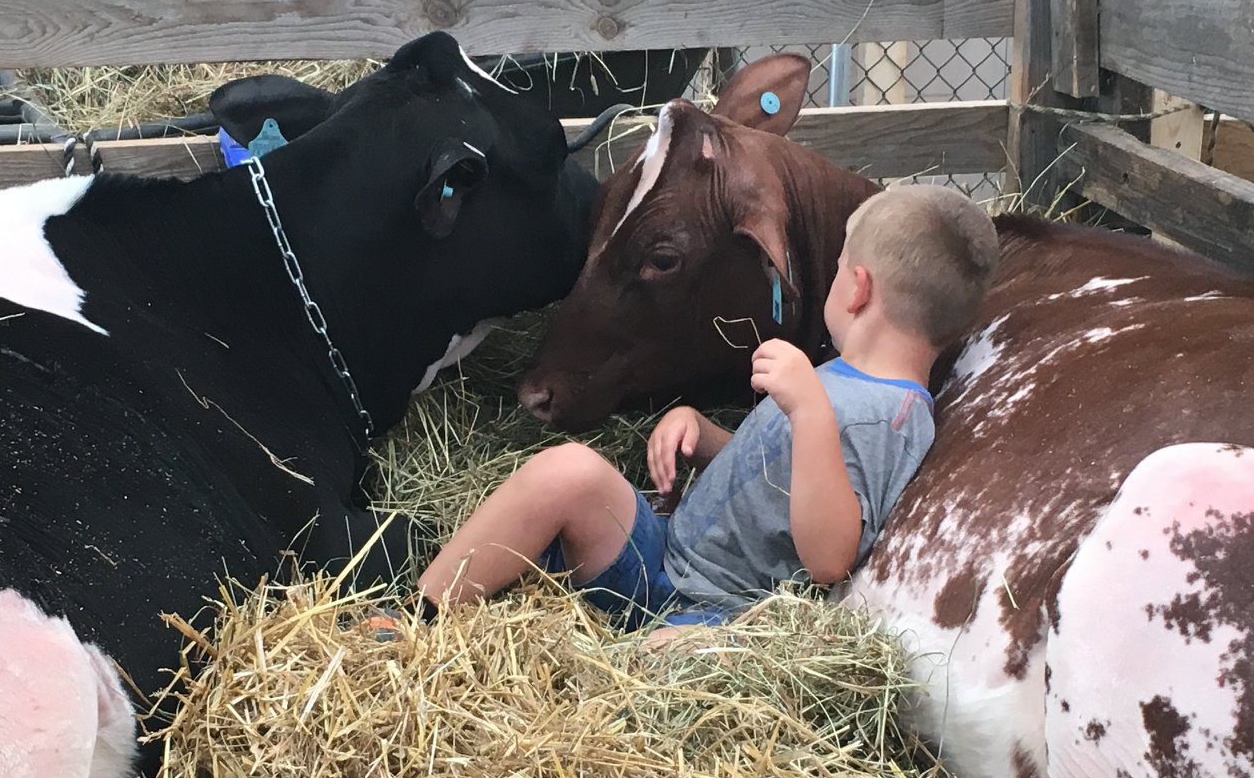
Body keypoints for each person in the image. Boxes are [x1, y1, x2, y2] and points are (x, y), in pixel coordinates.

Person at [400, 184, 1001, 639]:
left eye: (841, 263)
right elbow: (779, 468)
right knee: (569, 471)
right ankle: (416, 615)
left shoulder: (888, 417)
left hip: (723, 615)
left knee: (677, 660)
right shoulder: (847, 378)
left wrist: (811, 409)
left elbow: (830, 558)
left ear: (858, 288)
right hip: (665, 551)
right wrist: (703, 434)